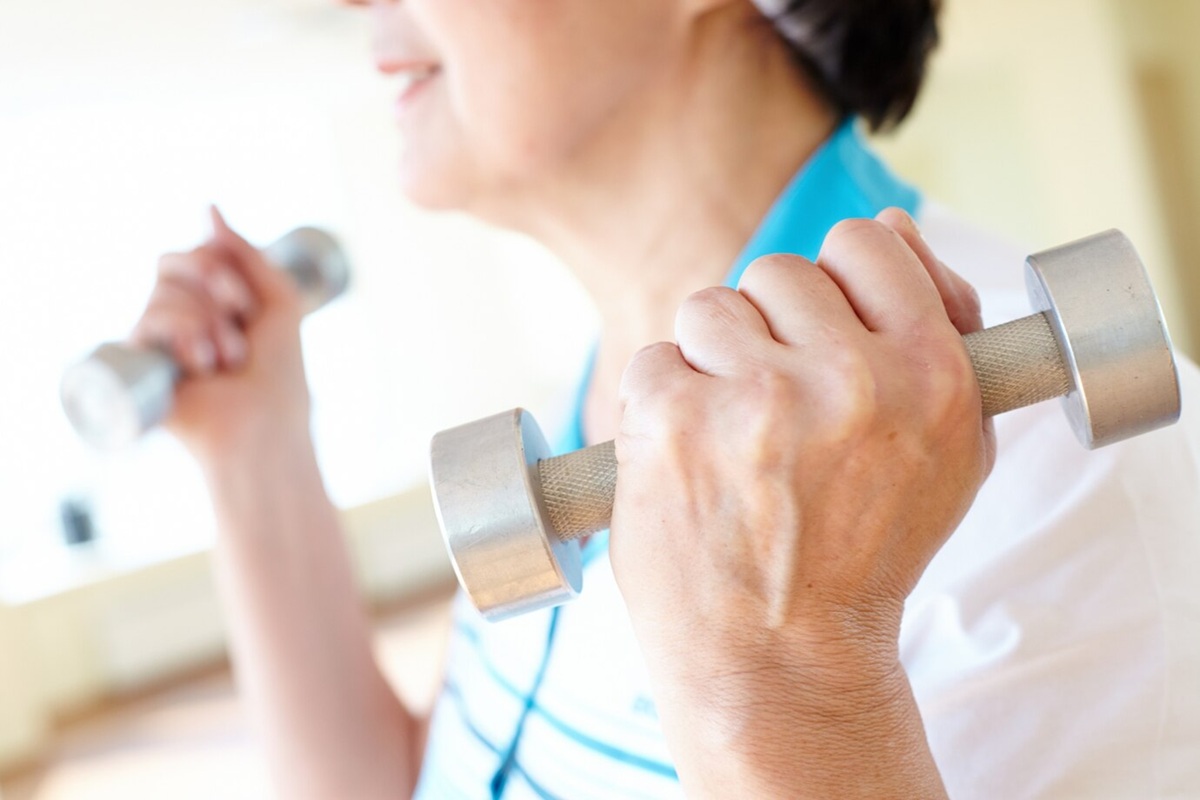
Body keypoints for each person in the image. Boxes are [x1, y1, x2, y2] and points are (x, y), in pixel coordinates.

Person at [131, 0, 1200, 797]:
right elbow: (441, 774)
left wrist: (790, 664)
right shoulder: (600, 391)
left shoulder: (1068, 468)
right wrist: (255, 457)